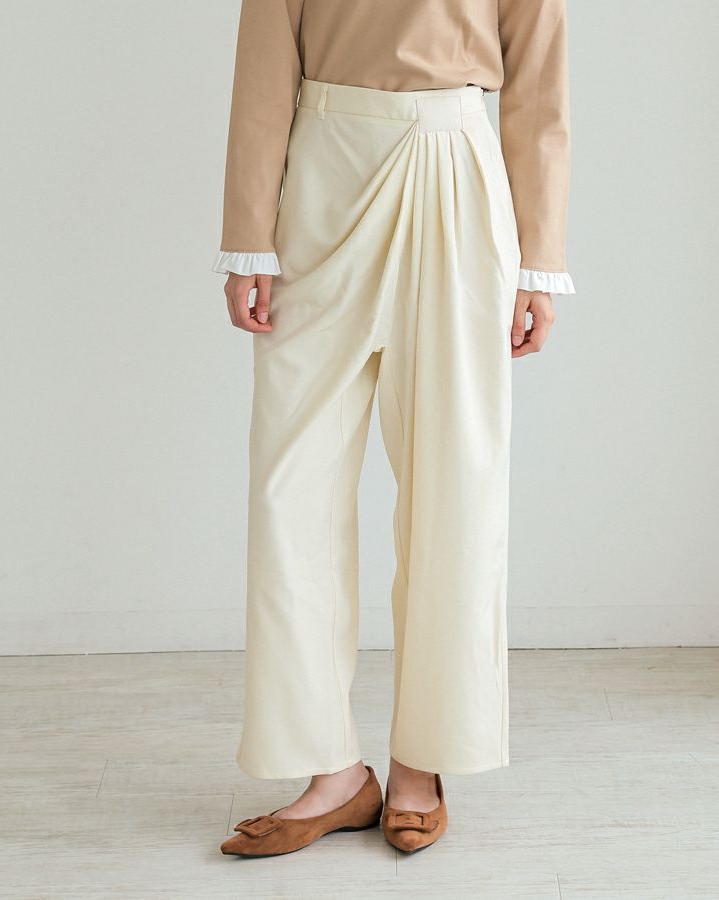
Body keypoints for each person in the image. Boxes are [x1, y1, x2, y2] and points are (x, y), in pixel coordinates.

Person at [214, 0, 575, 857]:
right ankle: (331, 772)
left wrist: (540, 259)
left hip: (455, 163)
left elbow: (539, 84)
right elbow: (264, 64)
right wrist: (248, 238)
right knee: (289, 488)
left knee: (456, 479)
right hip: (324, 165)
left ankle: (423, 759)